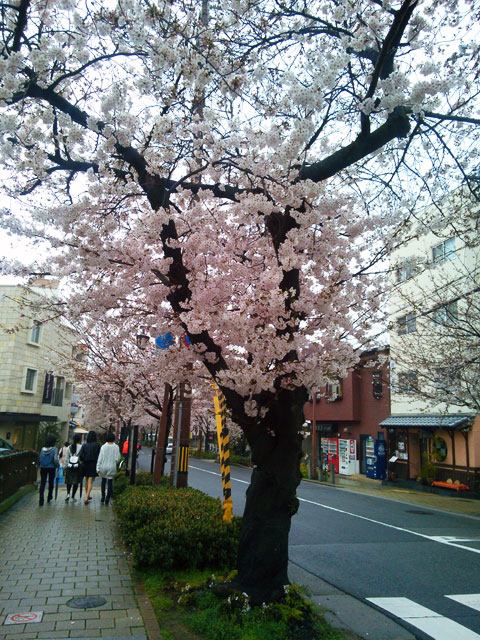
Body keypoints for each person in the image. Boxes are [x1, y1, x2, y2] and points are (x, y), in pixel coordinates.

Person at [96, 432, 121, 505]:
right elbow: (117, 459)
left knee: (103, 482)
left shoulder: (103, 447)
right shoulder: (116, 447)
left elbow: (100, 458)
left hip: (103, 466)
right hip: (112, 466)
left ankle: (103, 496)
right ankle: (108, 498)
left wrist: (98, 468)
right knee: (110, 482)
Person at [80, 430, 101, 505]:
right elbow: (99, 455)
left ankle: (87, 495)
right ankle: (86, 496)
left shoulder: (84, 445)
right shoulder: (97, 445)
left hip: (85, 463)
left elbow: (80, 455)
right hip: (93, 463)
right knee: (90, 480)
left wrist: (84, 459)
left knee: (86, 479)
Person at [38, 434, 59, 506]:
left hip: (43, 467)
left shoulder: (42, 449)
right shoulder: (54, 449)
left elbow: (40, 458)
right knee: (51, 482)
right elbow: (55, 459)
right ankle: (49, 496)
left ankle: (41, 498)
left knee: (43, 482)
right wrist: (57, 465)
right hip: (51, 467)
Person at [64, 433, 83, 502]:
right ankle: (73, 496)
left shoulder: (69, 447)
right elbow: (82, 458)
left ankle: (68, 494)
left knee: (69, 481)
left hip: (70, 466)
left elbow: (66, 458)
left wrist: (65, 467)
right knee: (76, 482)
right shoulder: (82, 447)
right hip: (77, 467)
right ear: (80, 439)